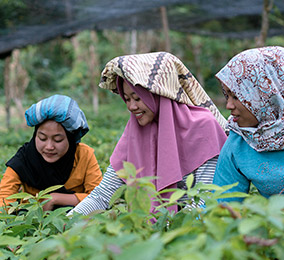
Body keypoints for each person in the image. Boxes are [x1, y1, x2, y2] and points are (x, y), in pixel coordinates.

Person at [68, 51, 227, 216]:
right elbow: (102, 195)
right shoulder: (136, 131)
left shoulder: (203, 126)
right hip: (152, 228)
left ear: (159, 93)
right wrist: (67, 223)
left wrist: (168, 232)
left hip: (190, 230)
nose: (131, 107)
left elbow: (205, 199)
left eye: (137, 98)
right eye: (127, 99)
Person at [0, 94, 103, 211]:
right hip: (32, 220)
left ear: (70, 139)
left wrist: (55, 198)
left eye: (58, 140)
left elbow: (99, 198)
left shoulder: (83, 155)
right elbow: (4, 201)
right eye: (42, 138)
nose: (49, 147)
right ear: (35, 136)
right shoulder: (23, 159)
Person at [213, 46, 284, 202]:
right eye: (227, 96)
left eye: (236, 97)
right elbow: (222, 205)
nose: (229, 106)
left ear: (267, 94)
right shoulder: (239, 141)